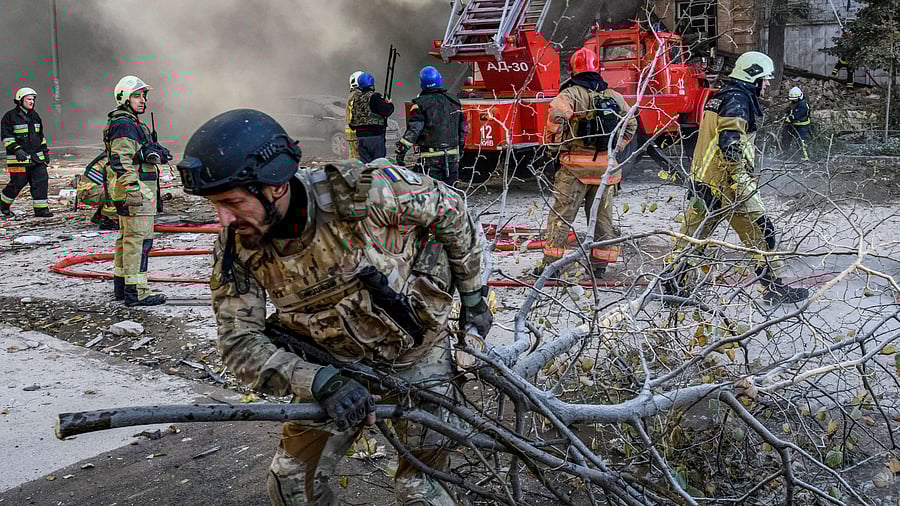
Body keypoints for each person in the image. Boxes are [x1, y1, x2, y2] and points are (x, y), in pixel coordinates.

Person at [175, 108, 493, 506]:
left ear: (274, 186)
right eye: (215, 205)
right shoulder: (237, 249)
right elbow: (238, 342)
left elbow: (453, 212)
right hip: (332, 368)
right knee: (291, 486)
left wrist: (474, 299)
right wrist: (320, 382)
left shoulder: (367, 192)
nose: (223, 219)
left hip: (418, 356)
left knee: (420, 490)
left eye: (232, 202)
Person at [667, 51, 809, 305]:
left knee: (692, 237)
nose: (767, 84)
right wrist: (743, 184)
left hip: (705, 182)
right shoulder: (738, 101)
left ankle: (672, 286)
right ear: (752, 76)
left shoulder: (722, 97)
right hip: (728, 185)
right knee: (762, 232)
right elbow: (730, 145)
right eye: (765, 78)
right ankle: (773, 288)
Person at [533, 47, 637, 278]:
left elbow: (556, 117)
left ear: (573, 69)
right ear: (597, 68)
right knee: (602, 220)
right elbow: (631, 124)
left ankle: (552, 266)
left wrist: (554, 146)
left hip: (574, 171)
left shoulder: (570, 95)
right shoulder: (614, 96)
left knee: (561, 218)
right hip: (606, 172)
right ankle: (600, 266)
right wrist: (616, 148)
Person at [105, 75, 168, 306]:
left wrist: (152, 152)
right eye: (136, 96)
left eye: (143, 96)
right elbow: (121, 159)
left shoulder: (129, 123)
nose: (142, 100)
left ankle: (123, 288)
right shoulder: (125, 124)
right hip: (136, 191)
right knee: (139, 241)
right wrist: (132, 188)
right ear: (124, 98)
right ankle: (137, 293)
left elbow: (131, 154)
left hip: (130, 189)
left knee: (127, 239)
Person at [395, 66, 467, 184]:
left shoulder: (420, 104)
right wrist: (461, 148)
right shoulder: (454, 101)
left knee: (431, 191)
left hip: (430, 159)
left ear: (422, 84)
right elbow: (463, 128)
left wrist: (401, 151)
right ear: (440, 79)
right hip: (452, 158)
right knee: (450, 192)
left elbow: (414, 130)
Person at [1, 87, 52, 217]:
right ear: (20, 100)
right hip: (18, 159)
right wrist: (17, 149)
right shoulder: (9, 117)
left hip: (36, 158)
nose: (32, 102)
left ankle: (41, 210)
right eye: (29, 99)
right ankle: (3, 205)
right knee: (17, 183)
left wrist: (45, 152)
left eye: (33, 99)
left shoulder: (35, 116)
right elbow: (6, 137)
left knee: (41, 181)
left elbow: (41, 137)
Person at [348, 72, 394, 163]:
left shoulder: (357, 99)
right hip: (375, 136)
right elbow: (386, 111)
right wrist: (389, 104)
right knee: (378, 164)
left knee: (367, 166)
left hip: (361, 137)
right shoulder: (375, 97)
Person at [783, 86, 810, 161]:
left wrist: (790, 118)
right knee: (786, 137)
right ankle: (784, 153)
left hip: (802, 125)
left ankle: (805, 157)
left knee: (801, 141)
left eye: (794, 99)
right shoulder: (795, 103)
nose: (793, 101)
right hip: (795, 124)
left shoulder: (803, 105)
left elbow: (797, 114)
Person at [344, 71, 363, 159]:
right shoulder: (356, 96)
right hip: (355, 133)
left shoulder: (352, 95)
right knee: (357, 158)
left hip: (352, 134)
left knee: (353, 156)